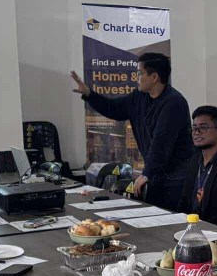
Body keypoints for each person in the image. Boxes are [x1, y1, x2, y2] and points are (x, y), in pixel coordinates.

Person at [70, 52, 193, 209]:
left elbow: (161, 143)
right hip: (156, 174)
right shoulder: (139, 97)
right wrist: (89, 94)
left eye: (140, 73)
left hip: (176, 177)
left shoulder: (173, 102)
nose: (136, 78)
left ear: (154, 77)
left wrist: (146, 174)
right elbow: (113, 108)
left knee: (171, 218)